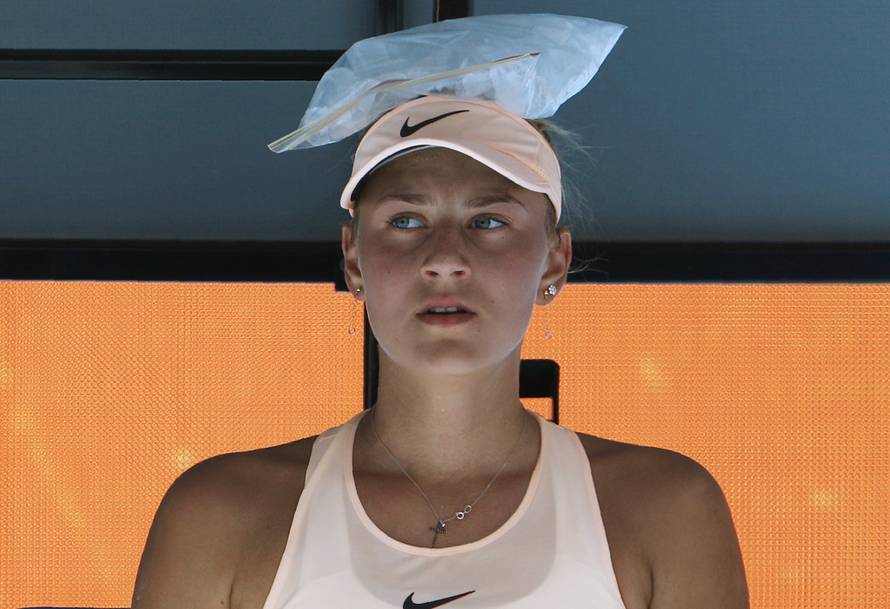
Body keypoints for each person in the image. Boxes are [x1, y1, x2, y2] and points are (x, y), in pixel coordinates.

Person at [132, 14, 749, 609]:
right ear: (353, 259)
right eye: (406, 221)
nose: (445, 259)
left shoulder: (666, 510)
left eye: (489, 221)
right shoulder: (220, 515)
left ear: (554, 262)